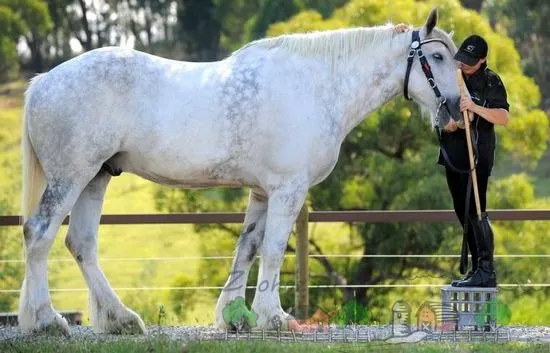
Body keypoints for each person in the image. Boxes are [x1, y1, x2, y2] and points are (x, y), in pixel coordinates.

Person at [394, 25, 510, 287]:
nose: (464, 66)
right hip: (452, 154)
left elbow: (503, 117)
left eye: (470, 63)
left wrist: (475, 108)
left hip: (477, 154)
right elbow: (437, 101)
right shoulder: (452, 75)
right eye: (462, 60)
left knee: (477, 210)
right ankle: (476, 270)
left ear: (482, 61)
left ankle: (486, 270)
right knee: (461, 209)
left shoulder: (491, 80)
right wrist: (444, 122)